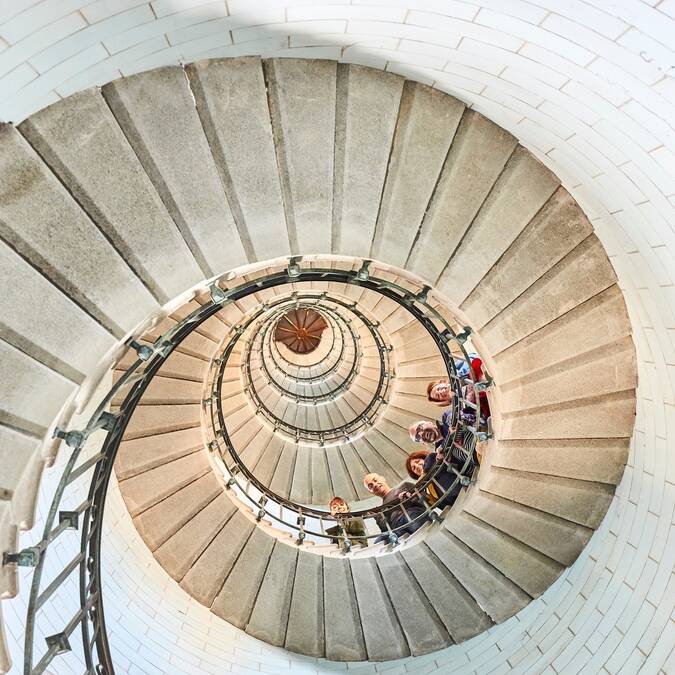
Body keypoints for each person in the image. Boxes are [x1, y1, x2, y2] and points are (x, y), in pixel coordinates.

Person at [363, 473, 430, 540]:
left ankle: (426, 537)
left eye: (375, 480)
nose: (374, 485)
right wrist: (378, 518)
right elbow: (385, 529)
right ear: (371, 492)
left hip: (410, 516)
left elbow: (424, 498)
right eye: (370, 486)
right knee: (379, 540)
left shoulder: (404, 486)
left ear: (383, 478)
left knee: (410, 519)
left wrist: (410, 498)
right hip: (397, 530)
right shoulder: (381, 509)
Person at [408, 409, 476, 468]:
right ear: (423, 443)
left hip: (479, 437)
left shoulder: (446, 417)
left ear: (429, 423)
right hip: (476, 457)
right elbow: (463, 466)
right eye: (418, 437)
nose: (421, 434)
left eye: (419, 428)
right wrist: (447, 460)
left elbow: (464, 421)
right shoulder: (439, 454)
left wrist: (445, 445)